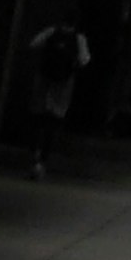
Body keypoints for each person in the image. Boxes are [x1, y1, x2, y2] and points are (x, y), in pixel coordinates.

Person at [24, 9, 93, 176]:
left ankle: (34, 154)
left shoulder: (51, 32)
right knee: (54, 119)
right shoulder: (79, 39)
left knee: (37, 115)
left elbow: (33, 44)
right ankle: (44, 160)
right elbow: (85, 60)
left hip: (44, 78)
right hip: (64, 82)